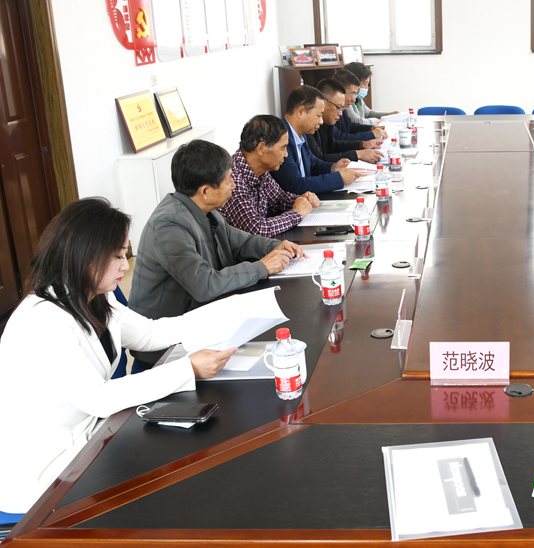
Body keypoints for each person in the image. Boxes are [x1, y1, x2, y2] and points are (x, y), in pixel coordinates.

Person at [0, 198, 236, 513]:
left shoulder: (95, 296)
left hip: (90, 438)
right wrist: (188, 368)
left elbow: (148, 333)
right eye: (117, 256)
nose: (126, 265)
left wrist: (226, 314)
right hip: (45, 474)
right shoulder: (43, 320)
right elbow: (99, 398)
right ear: (85, 255)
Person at [129, 139, 304, 367]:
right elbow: (204, 284)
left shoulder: (205, 210)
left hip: (201, 325)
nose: (234, 185)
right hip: (166, 351)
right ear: (205, 191)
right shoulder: (169, 225)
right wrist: (262, 267)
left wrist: (275, 247)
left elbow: (241, 241)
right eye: (228, 180)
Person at [220, 115, 321, 237]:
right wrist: (296, 214)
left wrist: (303, 199)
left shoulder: (260, 171)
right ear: (261, 149)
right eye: (282, 148)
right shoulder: (233, 180)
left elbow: (279, 199)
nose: (286, 155)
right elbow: (257, 230)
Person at [270, 86, 361, 195]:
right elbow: (295, 185)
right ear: (301, 112)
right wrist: (338, 179)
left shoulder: (301, 134)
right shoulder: (280, 139)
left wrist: (333, 167)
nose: (321, 121)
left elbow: (313, 162)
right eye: (318, 116)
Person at [307, 79, 384, 164]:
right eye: (338, 107)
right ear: (323, 102)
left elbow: (333, 145)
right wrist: (358, 154)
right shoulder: (309, 127)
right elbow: (320, 160)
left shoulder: (327, 122)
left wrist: (362, 145)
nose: (340, 113)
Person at [332, 69, 387, 141]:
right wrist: (371, 135)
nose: (354, 100)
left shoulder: (343, 108)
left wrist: (371, 128)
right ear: (340, 91)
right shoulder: (330, 112)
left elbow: (351, 126)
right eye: (353, 94)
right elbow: (339, 139)